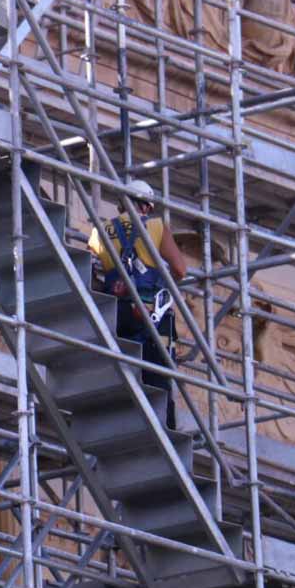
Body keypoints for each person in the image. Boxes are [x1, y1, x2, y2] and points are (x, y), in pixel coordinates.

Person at [88, 179, 189, 429]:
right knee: (158, 374)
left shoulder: (99, 232)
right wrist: (162, 288)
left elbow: (88, 273)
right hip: (149, 310)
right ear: (145, 206)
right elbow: (180, 269)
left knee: (123, 370)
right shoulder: (155, 227)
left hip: (116, 311)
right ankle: (164, 429)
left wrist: (111, 287)